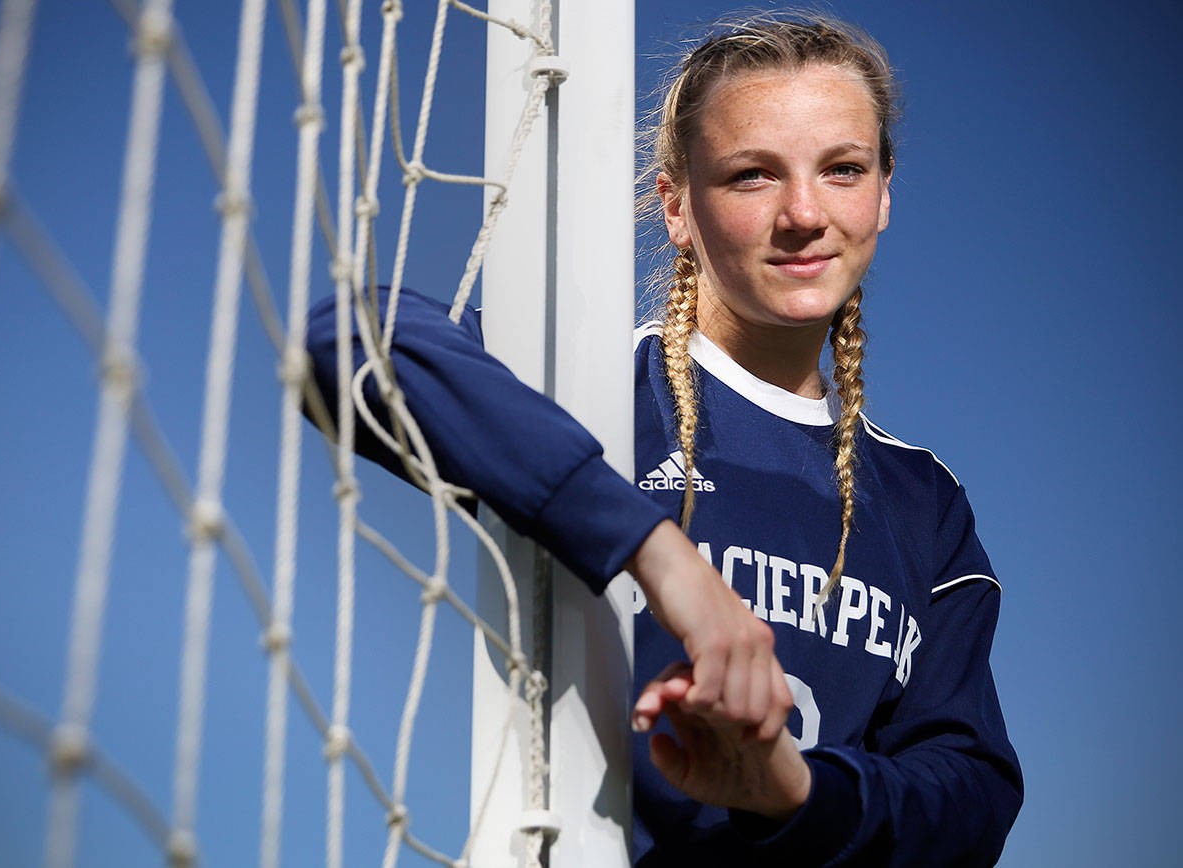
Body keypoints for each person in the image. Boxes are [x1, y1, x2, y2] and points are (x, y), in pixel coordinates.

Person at [307, 10, 1022, 865]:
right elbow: (348, 336)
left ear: (883, 193)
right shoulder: (590, 387)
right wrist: (663, 558)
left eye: (843, 170)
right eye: (753, 175)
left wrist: (791, 789)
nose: (804, 212)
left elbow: (972, 795)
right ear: (677, 207)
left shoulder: (923, 501)